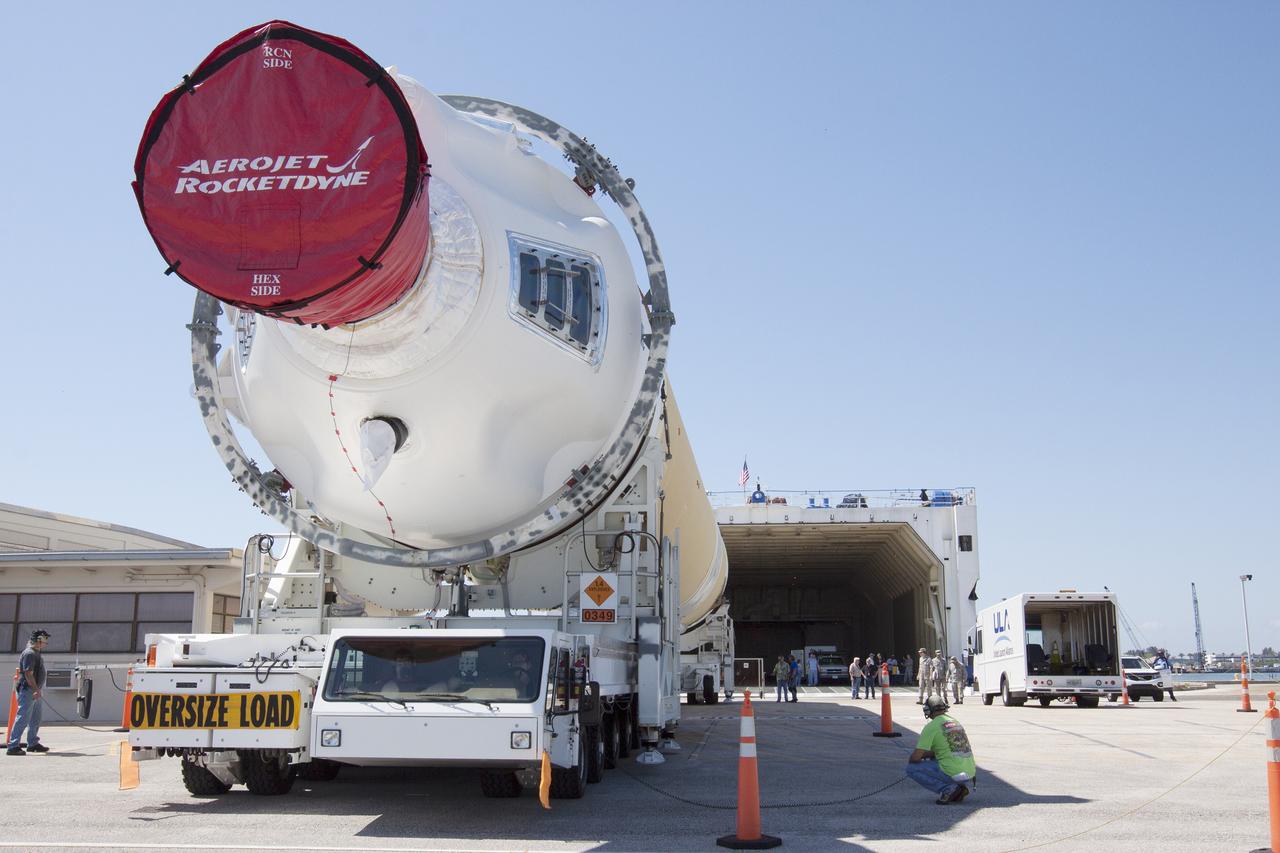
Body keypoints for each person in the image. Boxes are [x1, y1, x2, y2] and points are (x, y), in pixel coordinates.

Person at [906, 695, 977, 804]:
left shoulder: (931, 726)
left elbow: (915, 758)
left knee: (911, 769)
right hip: (969, 772)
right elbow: (948, 748)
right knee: (936, 759)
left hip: (953, 772)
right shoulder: (955, 721)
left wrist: (921, 755)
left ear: (928, 710)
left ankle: (948, 789)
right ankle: (959, 787)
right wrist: (930, 754)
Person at [7, 629, 50, 755]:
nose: (46, 643)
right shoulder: (30, 653)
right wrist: (36, 689)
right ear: (39, 640)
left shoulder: (36, 653)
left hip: (35, 690)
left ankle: (32, 743)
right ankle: (13, 745)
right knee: (23, 718)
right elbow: (28, 673)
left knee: (35, 718)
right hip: (28, 690)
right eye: (45, 639)